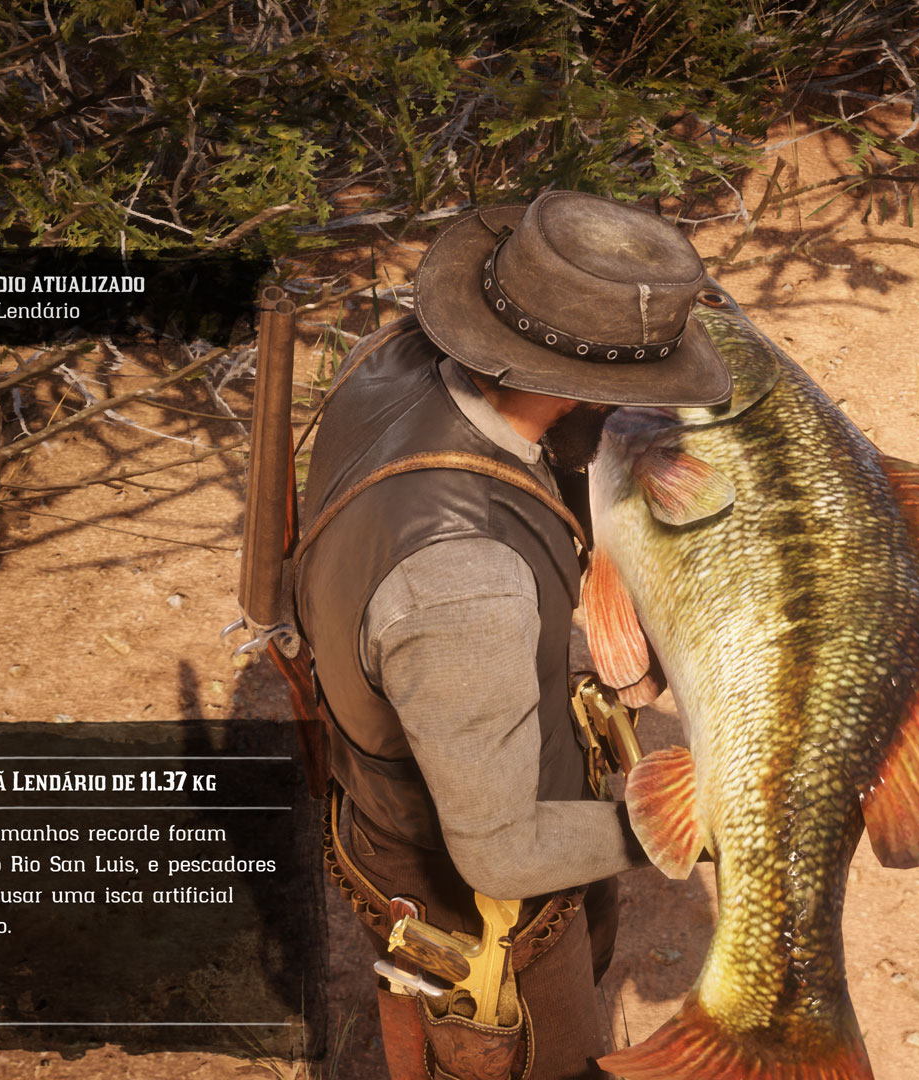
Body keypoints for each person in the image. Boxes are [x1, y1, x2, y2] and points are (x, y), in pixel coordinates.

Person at [292, 190, 731, 1080]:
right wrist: (706, 822)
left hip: (410, 768)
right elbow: (502, 850)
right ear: (577, 385)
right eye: (635, 387)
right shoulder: (467, 585)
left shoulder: (396, 359)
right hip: (475, 907)